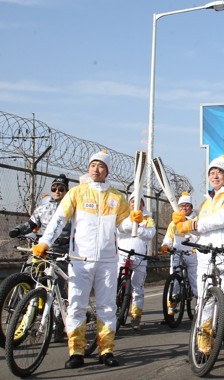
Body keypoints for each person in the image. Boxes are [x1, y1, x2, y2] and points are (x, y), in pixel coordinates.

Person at [32, 150, 133, 369]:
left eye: (101, 166)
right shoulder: (77, 193)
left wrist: (134, 220)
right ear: (89, 168)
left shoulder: (117, 197)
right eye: (93, 165)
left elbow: (124, 228)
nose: (96, 169)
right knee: (77, 305)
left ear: (107, 171)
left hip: (107, 260)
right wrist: (45, 241)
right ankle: (76, 351)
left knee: (107, 307)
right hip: (80, 258)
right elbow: (59, 220)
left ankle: (106, 350)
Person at [172, 155, 224, 369]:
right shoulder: (206, 203)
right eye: (211, 173)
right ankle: (204, 347)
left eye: (219, 172)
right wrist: (184, 229)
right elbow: (203, 233)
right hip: (205, 258)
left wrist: (193, 224)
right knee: (205, 304)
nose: (215, 176)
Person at [9, 174, 71, 342]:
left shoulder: (71, 208)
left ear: (66, 191)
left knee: (57, 286)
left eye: (61, 189)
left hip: (60, 253)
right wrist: (18, 230)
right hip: (41, 249)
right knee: (28, 274)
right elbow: (31, 224)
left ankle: (58, 324)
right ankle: (25, 304)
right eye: (54, 188)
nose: (57, 191)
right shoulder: (43, 207)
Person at [116, 193, 156, 331]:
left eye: (138, 201)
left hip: (139, 257)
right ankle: (116, 309)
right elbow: (118, 230)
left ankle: (136, 316)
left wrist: (138, 227)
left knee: (137, 288)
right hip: (122, 254)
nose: (135, 203)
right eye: (132, 201)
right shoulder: (123, 215)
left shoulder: (148, 219)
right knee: (116, 285)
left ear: (143, 204)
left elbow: (150, 234)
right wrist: (130, 223)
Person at [161, 191, 199, 317]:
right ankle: (171, 306)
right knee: (174, 278)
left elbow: (200, 235)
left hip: (192, 253)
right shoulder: (174, 222)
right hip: (177, 252)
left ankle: (200, 305)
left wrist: (187, 224)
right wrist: (166, 245)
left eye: (187, 205)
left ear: (191, 207)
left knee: (195, 280)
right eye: (181, 206)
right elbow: (169, 236)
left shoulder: (196, 220)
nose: (184, 208)